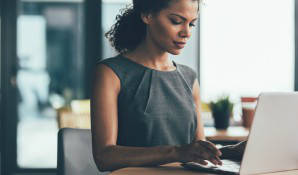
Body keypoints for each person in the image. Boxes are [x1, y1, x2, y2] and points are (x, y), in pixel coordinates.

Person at [91, 0, 246, 172]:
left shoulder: (189, 77)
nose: (186, 33)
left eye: (192, 24)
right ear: (147, 15)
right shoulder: (110, 73)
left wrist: (234, 151)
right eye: (176, 21)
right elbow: (104, 157)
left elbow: (198, 153)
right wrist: (176, 152)